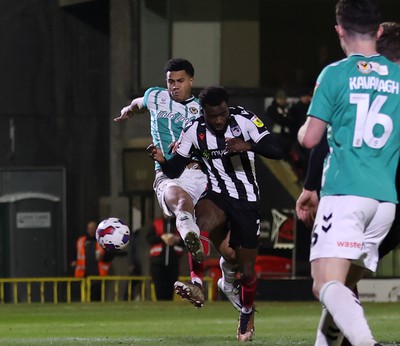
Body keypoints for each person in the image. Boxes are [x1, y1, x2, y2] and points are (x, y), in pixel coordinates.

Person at [297, 0, 400, 345]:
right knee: (342, 288)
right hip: (385, 202)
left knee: (324, 283)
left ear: (339, 30)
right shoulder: (399, 76)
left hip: (345, 194)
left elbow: (311, 138)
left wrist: (304, 128)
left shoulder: (335, 73)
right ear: (380, 30)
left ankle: (367, 343)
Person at [148, 86, 283, 341]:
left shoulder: (245, 119)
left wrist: (248, 145)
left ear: (227, 108)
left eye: (222, 114)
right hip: (218, 195)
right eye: (213, 116)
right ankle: (197, 282)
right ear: (204, 113)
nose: (219, 120)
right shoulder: (194, 129)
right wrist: (164, 160)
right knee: (199, 225)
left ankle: (246, 312)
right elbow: (177, 166)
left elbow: (277, 150)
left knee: (246, 271)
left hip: (248, 201)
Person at [114, 58, 209, 294]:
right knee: (180, 202)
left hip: (197, 173)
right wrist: (128, 111)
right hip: (166, 172)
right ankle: (189, 235)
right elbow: (138, 103)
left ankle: (202, 279)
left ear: (191, 80)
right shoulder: (156, 96)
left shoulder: (201, 110)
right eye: (170, 82)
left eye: (180, 81)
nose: (175, 86)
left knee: (216, 230)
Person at [146, 214, 184, 300]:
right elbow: (149, 239)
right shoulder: (156, 223)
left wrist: (176, 239)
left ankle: (168, 306)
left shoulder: (179, 224)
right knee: (159, 286)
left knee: (171, 287)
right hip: (157, 262)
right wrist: (161, 237)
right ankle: (160, 306)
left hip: (173, 262)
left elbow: (186, 241)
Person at [72, 220, 111, 301]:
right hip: (83, 275)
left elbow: (109, 256)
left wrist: (102, 258)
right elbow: (76, 255)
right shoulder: (81, 241)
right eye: (89, 228)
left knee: (96, 297)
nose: (91, 230)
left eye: (93, 228)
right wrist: (74, 262)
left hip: (97, 275)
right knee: (83, 297)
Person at [263, 89, 294, 161]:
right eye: (280, 98)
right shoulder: (272, 109)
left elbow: (292, 120)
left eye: (284, 99)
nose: (282, 100)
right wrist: (285, 120)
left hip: (286, 135)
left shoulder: (287, 108)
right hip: (275, 135)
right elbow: (277, 119)